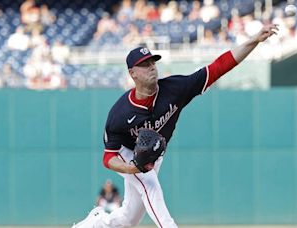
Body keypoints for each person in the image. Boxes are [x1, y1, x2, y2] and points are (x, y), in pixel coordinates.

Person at [72, 24, 278, 228]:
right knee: (149, 184)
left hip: (153, 156)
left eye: (152, 62)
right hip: (129, 154)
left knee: (129, 219)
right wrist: (130, 167)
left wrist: (253, 40)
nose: (152, 67)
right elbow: (108, 157)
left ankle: (93, 224)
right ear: (132, 73)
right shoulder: (120, 113)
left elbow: (218, 67)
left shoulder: (175, 88)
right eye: (145, 64)